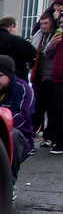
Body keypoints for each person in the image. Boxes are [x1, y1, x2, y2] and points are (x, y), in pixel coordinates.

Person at [0, 55, 33, 197]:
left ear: (9, 75)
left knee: (14, 135)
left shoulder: (22, 89)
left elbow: (21, 116)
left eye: (0, 76)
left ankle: (8, 185)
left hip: (19, 136)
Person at [29, 12, 58, 145]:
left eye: (46, 23)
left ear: (52, 22)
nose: (43, 26)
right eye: (41, 24)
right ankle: (33, 133)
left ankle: (49, 135)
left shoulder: (56, 35)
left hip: (50, 77)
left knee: (51, 108)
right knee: (38, 106)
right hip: (38, 76)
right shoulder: (40, 35)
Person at [43, 26, 63, 154]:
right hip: (56, 78)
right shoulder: (58, 37)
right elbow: (47, 54)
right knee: (57, 109)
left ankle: (60, 141)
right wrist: (52, 43)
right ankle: (57, 138)